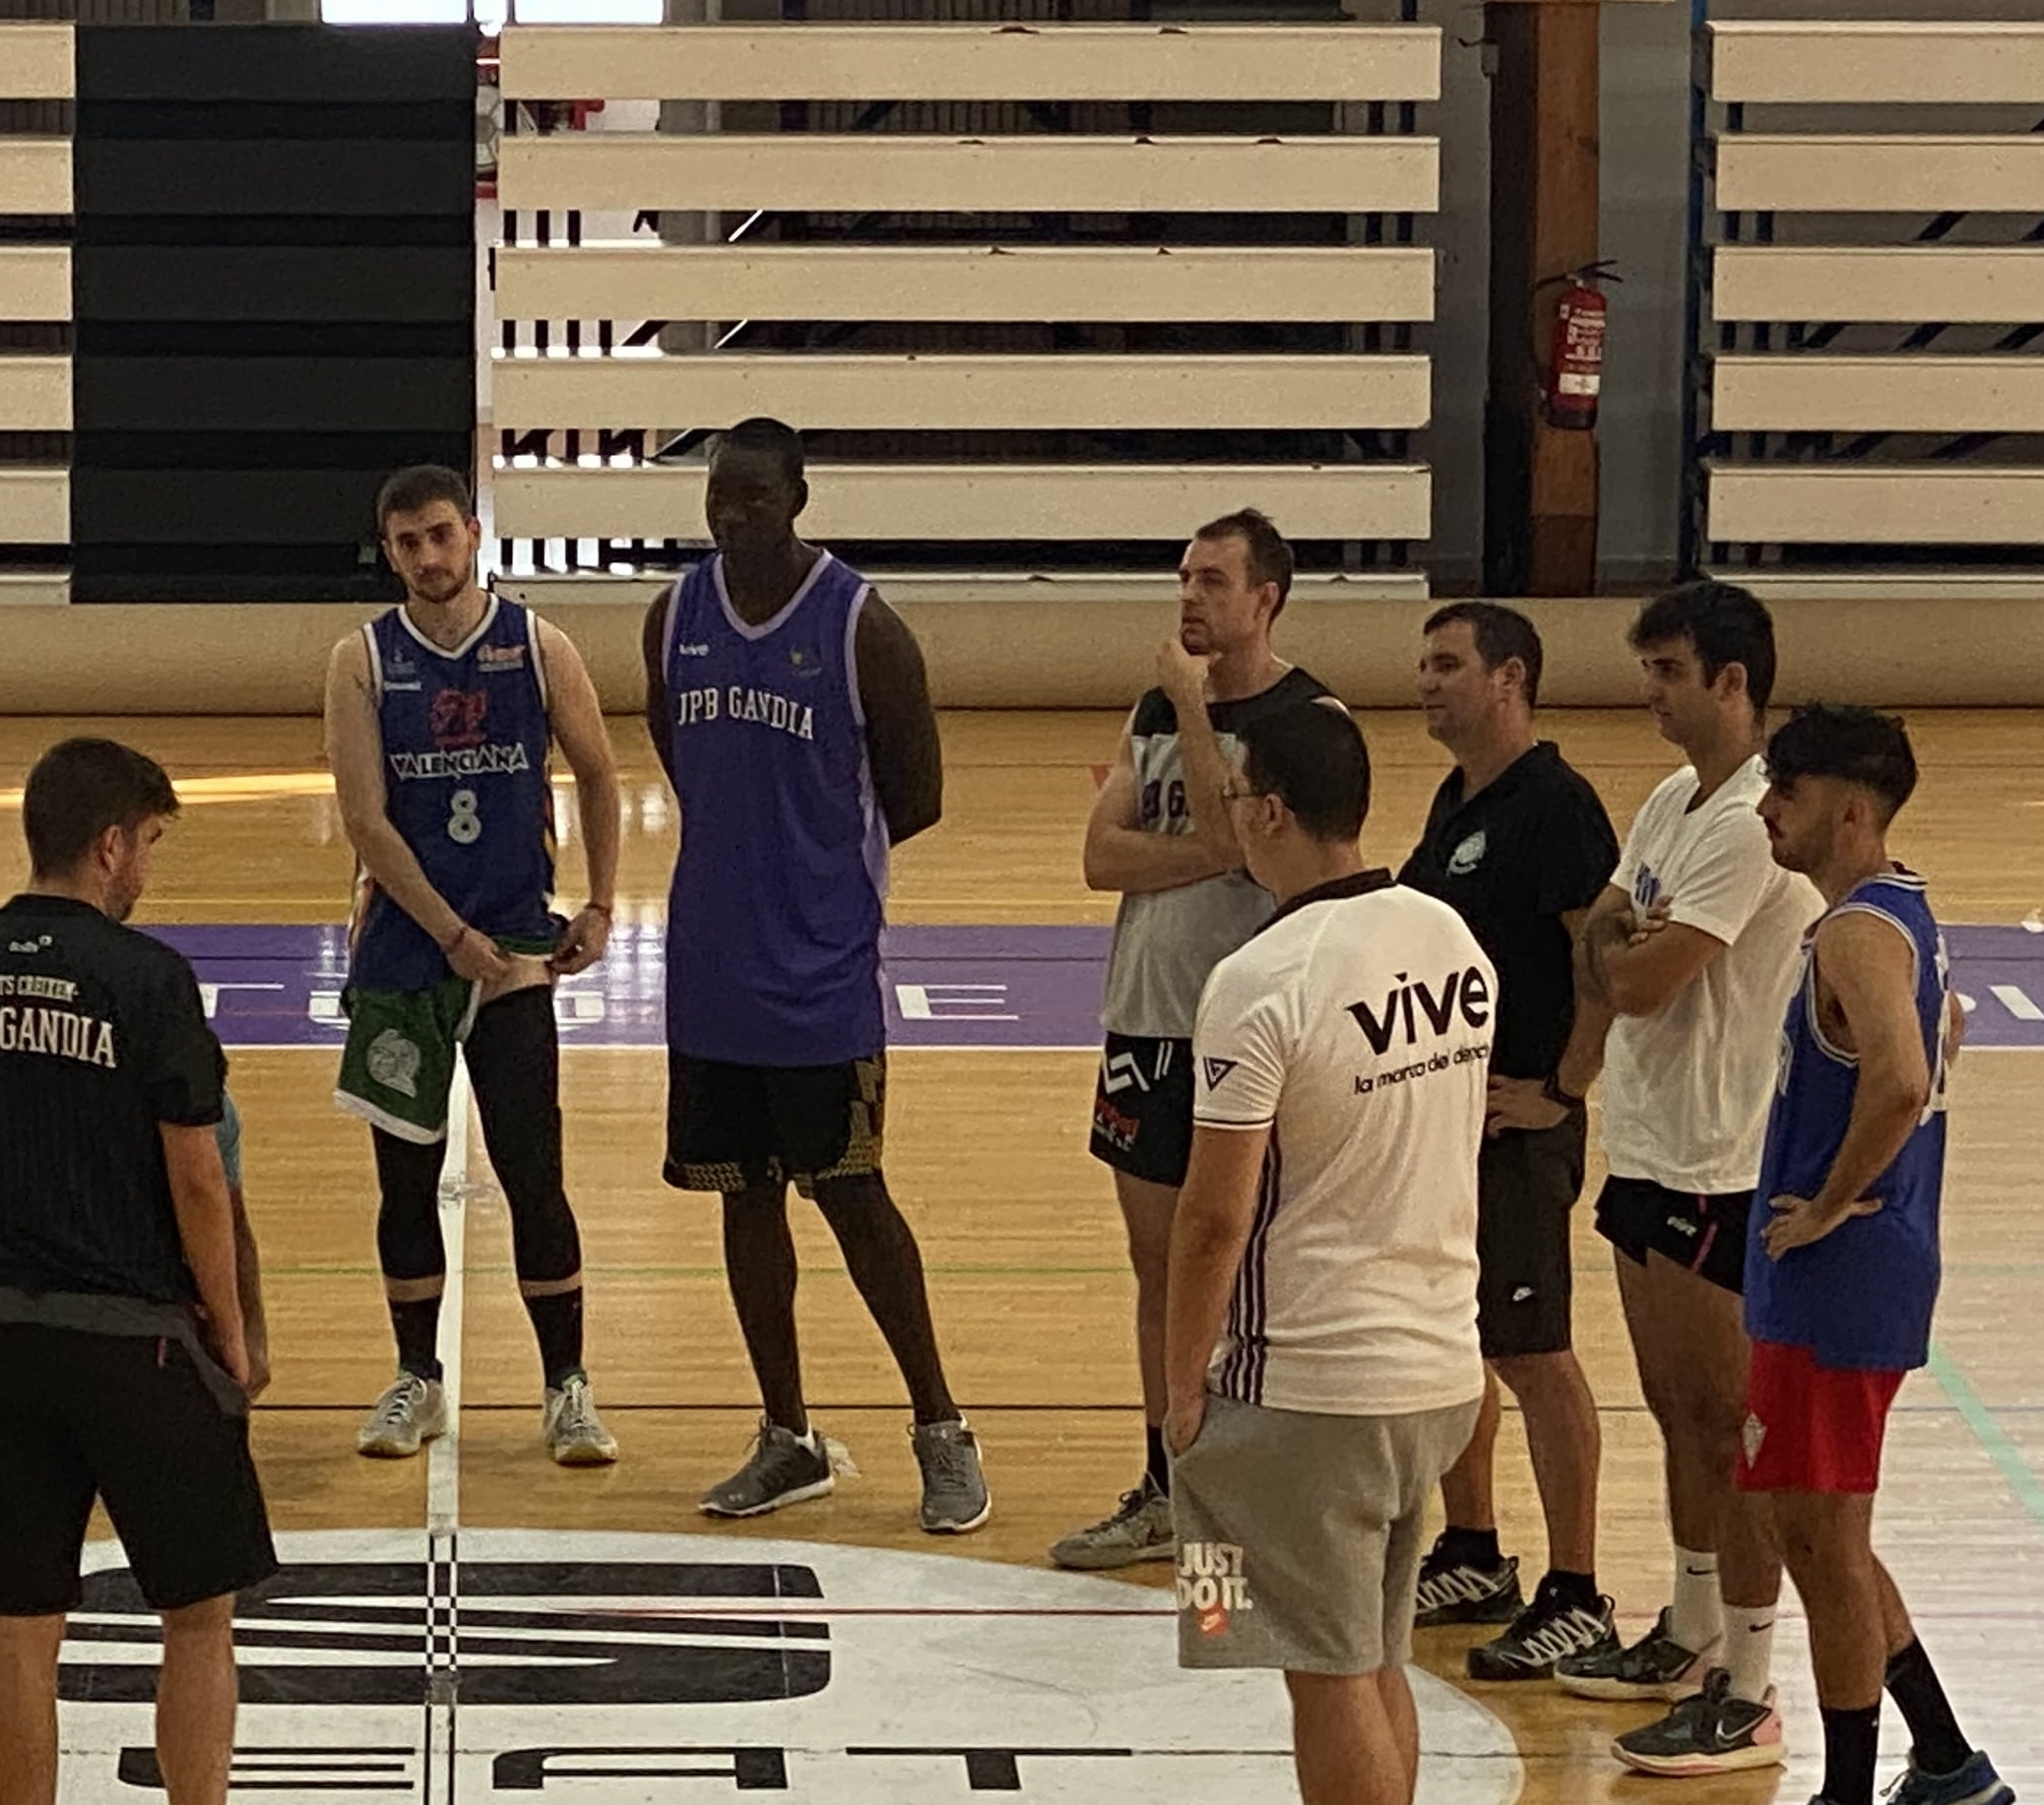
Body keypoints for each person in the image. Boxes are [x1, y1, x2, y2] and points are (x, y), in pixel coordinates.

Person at [0, 738, 310, 1805]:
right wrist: (232, 1327)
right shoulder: (147, 979)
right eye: (147, 844)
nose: (147, 870)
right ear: (106, 843)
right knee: (196, 1614)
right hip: (131, 1333)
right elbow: (196, 1171)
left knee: (20, 1624)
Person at [1162, 701, 1492, 1805]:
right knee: (1373, 1657)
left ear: (1270, 810)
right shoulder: (1447, 938)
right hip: (1437, 1370)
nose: (1228, 805)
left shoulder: (1261, 978)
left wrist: (1174, 1387)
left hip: (1300, 1384)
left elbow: (1210, 1215)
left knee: (1317, 1669)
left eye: (1236, 788)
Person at [639, 417, 990, 1533]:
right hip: (709, 969)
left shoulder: (860, 627)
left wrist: (814, 879)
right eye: (716, 497)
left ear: (798, 495)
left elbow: (916, 795)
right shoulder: (672, 618)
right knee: (741, 1201)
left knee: (851, 1196)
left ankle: (940, 1425)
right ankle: (785, 1433)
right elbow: (681, 761)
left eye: (752, 495)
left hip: (821, 977)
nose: (731, 515)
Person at [1698, 706, 2012, 1805]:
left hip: (1838, 1275)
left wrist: (1829, 1203)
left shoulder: (1853, 935)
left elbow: (1900, 1074)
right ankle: (1937, 1756)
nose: (1765, 808)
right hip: (1853, 1273)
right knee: (1812, 1527)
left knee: (1818, 1543)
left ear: (1848, 808)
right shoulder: (1898, 910)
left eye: (1783, 790)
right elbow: (1947, 1037)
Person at [1555, 585, 1818, 1756]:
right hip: (1649, 1140)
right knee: (1672, 1409)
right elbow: (1602, 937)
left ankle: (1751, 1685)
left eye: (1666, 670)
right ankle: (1690, 1622)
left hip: (1723, 1156)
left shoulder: (1751, 818)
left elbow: (1638, 975)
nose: (1647, 691)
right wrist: (1620, 946)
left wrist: (1619, 947)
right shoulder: (1669, 798)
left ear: (1730, 680)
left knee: (1729, 1422)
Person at [326, 462, 625, 1467]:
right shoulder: (361, 658)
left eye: (440, 535)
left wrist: (598, 900)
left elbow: (596, 769)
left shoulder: (536, 645)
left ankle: (566, 1386)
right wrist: (448, 931)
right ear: (389, 549)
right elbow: (366, 820)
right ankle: (417, 1377)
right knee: (403, 1182)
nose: (427, 555)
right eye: (407, 541)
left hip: (514, 953)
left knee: (532, 1170)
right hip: (407, 956)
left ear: (473, 534)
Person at [1058, 511, 1340, 1571]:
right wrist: (1193, 839)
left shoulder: (1305, 718)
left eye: (1211, 581)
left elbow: (1243, 852)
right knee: (1154, 1259)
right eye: (1181, 577)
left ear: (1264, 596)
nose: (1187, 599)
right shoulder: (1149, 705)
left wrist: (1187, 705)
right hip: (1142, 1013)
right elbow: (1098, 856)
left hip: (1244, 1028)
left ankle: (1243, 1487)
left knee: (1236, 1260)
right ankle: (1166, 1480)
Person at [1396, 603, 1622, 1682]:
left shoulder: (1556, 807)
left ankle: (1576, 1591)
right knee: (1460, 1337)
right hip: (1450, 1124)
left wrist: (1563, 1089)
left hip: (1519, 1132)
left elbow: (1602, 964)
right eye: (1422, 664)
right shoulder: (1459, 799)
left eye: (1447, 664)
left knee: (1532, 1352)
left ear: (1508, 678)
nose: (1426, 681)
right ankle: (1474, 1550)